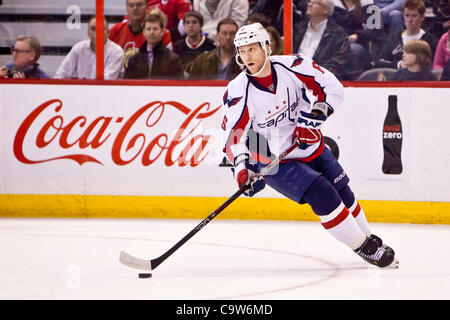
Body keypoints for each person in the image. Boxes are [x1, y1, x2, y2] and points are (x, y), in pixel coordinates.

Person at [222, 23, 398, 268]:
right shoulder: (239, 90)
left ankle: (368, 237)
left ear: (266, 47)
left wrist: (317, 113)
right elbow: (234, 137)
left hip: (308, 143)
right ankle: (363, 247)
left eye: (252, 49)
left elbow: (332, 88)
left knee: (343, 193)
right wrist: (242, 169)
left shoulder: (294, 66)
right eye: (241, 51)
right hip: (272, 157)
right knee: (323, 193)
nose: (246, 56)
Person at [293, 0, 351, 80]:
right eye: (309, 2)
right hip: (293, 77)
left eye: (314, 3)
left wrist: (315, 78)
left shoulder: (338, 34)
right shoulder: (297, 29)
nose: (309, 4)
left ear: (325, 10)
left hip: (320, 81)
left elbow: (337, 65)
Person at [54, 17, 124, 80]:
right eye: (93, 29)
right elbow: (60, 75)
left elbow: (106, 82)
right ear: (88, 32)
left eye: (101, 29)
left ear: (108, 33)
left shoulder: (116, 52)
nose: (97, 32)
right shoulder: (79, 48)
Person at [375, 0, 438, 69]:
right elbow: (380, 62)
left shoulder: (430, 40)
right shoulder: (394, 38)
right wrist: (399, 64)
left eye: (414, 16)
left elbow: (435, 64)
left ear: (422, 17)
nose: (409, 20)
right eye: (407, 16)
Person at [109, 0, 172, 67]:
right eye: (131, 5)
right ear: (127, 8)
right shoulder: (115, 30)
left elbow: (165, 65)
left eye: (139, 5)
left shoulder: (162, 34)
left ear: (147, 7)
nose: (135, 8)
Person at [124, 13, 183, 79]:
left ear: (162, 32)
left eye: (155, 29)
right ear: (143, 32)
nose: (152, 32)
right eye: (149, 29)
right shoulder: (134, 60)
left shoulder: (173, 60)